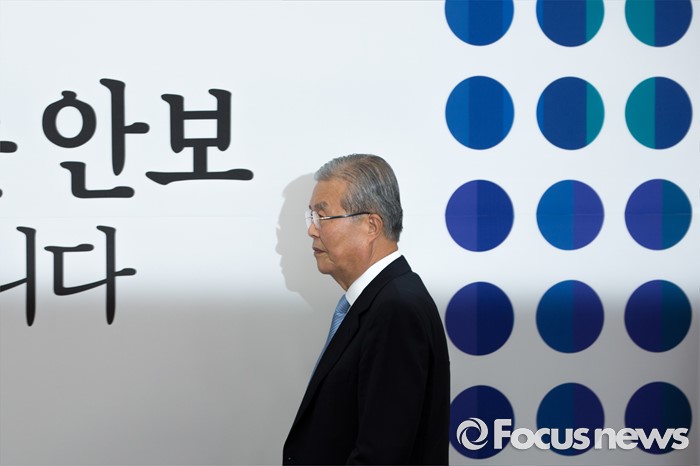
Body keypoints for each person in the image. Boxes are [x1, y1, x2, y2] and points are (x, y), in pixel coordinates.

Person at [283, 154, 450, 465]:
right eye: (311, 216)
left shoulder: (396, 310)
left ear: (371, 225)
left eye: (323, 216)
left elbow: (381, 455)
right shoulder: (378, 301)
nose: (312, 230)